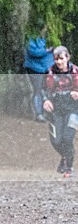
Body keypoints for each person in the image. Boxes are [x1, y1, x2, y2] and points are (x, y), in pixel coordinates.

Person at [41, 45, 78, 177]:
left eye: (61, 59)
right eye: (56, 59)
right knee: (56, 141)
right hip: (56, 110)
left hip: (73, 110)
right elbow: (42, 89)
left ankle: (69, 166)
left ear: (68, 58)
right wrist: (46, 100)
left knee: (67, 139)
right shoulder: (49, 72)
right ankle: (64, 157)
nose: (59, 62)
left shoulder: (76, 71)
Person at [23, 33, 53, 122]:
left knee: (48, 90)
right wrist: (47, 50)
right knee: (38, 90)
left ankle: (47, 112)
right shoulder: (30, 38)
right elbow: (33, 52)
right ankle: (38, 113)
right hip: (34, 68)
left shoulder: (49, 37)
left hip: (48, 67)